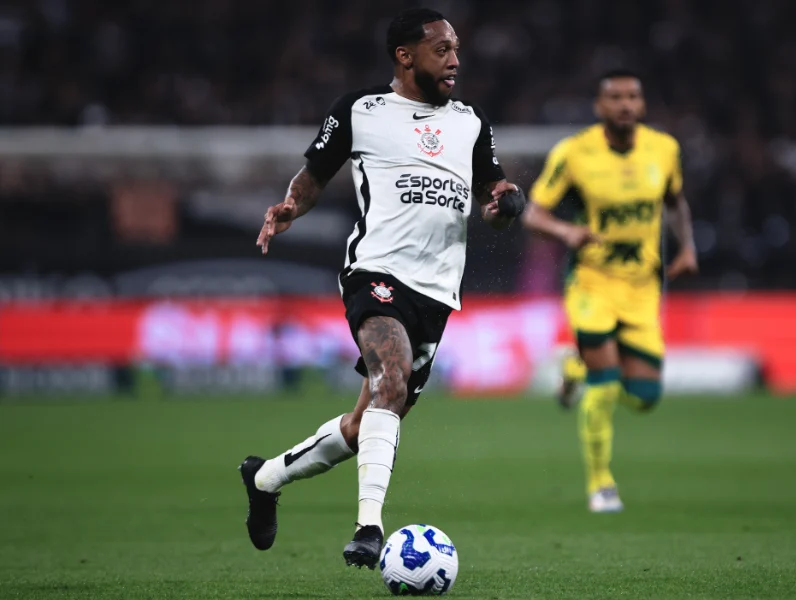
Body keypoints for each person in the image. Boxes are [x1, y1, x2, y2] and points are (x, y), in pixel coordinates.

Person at [240, 8, 525, 568]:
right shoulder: (360, 110)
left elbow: (492, 197)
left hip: (438, 291)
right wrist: (291, 205)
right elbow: (314, 175)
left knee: (365, 422)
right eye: (442, 50)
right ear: (405, 55)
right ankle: (369, 529)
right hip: (376, 270)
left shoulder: (471, 122)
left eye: (456, 49)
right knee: (389, 380)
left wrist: (503, 204)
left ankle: (266, 478)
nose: (455, 60)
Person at [521, 69, 697, 513]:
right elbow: (533, 214)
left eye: (632, 96)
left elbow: (675, 202)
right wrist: (567, 232)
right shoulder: (574, 153)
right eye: (615, 97)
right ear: (599, 106)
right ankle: (601, 484)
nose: (624, 104)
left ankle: (574, 368)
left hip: (642, 288)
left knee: (644, 397)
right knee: (605, 383)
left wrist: (687, 247)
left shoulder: (664, 149)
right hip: (592, 283)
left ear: (642, 104)